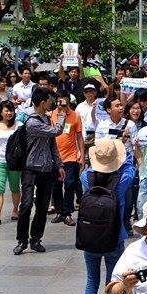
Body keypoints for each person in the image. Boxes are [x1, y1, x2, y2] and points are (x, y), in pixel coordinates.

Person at [80, 138, 135, 294]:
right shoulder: (123, 178)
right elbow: (130, 165)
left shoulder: (86, 177)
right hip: (114, 237)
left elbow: (87, 171)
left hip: (91, 236)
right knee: (113, 282)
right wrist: (123, 153)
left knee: (91, 280)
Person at [13, 88, 66, 255]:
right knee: (27, 204)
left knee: (42, 206)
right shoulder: (32, 122)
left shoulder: (46, 119)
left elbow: (52, 144)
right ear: (42, 102)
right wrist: (62, 112)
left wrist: (59, 164)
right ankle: (22, 240)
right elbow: (57, 132)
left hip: (46, 169)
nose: (51, 103)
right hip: (30, 168)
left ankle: (36, 239)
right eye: (49, 100)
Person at [50, 90, 84, 226]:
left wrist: (81, 154)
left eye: (64, 100)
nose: (61, 103)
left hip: (70, 156)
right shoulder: (51, 115)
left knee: (70, 184)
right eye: (59, 100)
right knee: (56, 185)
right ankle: (59, 211)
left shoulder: (75, 116)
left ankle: (68, 212)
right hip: (54, 156)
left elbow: (79, 137)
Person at [0, 100, 21, 225]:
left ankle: (16, 210)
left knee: (15, 188)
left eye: (11, 110)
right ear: (1, 112)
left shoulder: (18, 125)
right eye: (6, 110)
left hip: (13, 162)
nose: (9, 113)